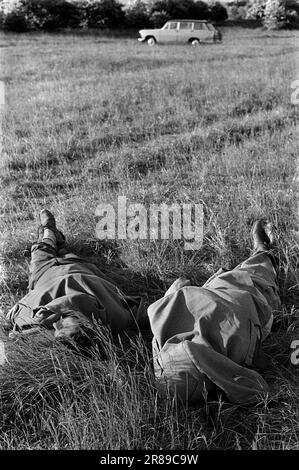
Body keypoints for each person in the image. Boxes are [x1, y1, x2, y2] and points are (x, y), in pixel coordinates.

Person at [147, 219, 281, 405]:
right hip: (250, 292)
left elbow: (172, 295)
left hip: (214, 290)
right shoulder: (233, 343)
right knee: (258, 266)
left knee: (231, 277)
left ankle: (258, 255)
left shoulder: (164, 332)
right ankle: (265, 251)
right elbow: (255, 387)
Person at [4, 209, 145, 346]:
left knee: (42, 248)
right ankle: (53, 237)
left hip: (47, 272)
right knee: (55, 251)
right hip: (79, 268)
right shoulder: (115, 318)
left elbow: (12, 318)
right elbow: (139, 308)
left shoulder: (38, 317)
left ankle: (50, 232)